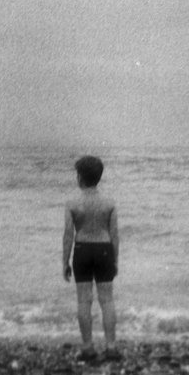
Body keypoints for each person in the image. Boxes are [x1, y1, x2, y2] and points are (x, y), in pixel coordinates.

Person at [62, 154, 119, 360]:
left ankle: (87, 347)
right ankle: (111, 347)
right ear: (98, 177)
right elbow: (114, 235)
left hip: (82, 250)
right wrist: (115, 260)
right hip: (104, 249)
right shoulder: (109, 203)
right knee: (107, 300)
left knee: (84, 302)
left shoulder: (72, 203)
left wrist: (65, 262)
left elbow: (68, 234)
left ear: (80, 177)